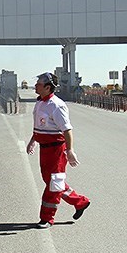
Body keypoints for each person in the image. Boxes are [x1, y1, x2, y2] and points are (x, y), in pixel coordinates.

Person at [26, 72, 91, 228]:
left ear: (48, 87)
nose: (35, 86)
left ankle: (47, 218)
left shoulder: (57, 105)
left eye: (39, 84)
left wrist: (70, 150)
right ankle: (80, 202)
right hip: (45, 149)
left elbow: (67, 130)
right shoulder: (40, 102)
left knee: (54, 183)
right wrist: (32, 141)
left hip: (56, 150)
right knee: (51, 181)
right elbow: (39, 126)